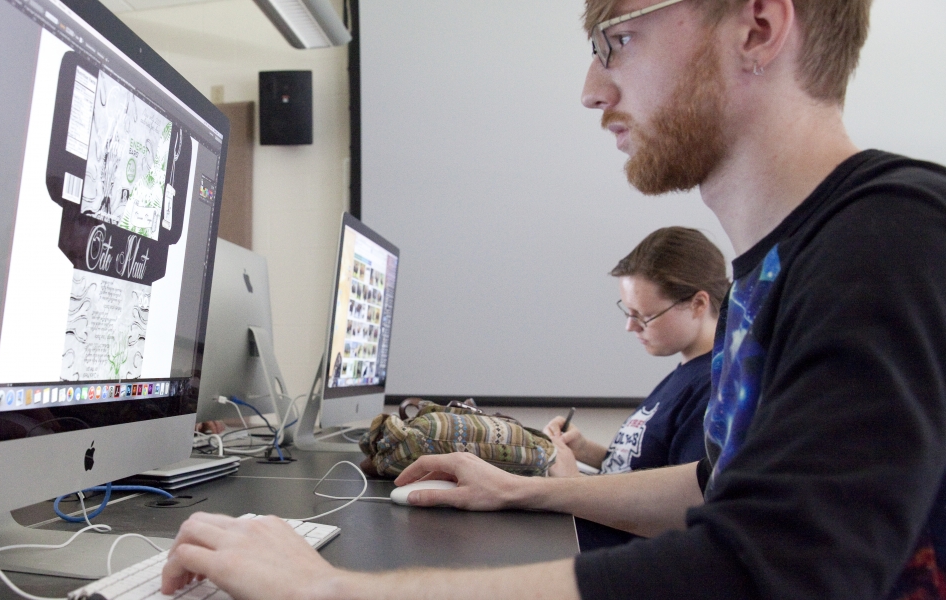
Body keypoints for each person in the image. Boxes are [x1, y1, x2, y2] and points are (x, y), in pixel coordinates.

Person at [158, 0, 946, 598]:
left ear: (758, 27)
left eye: (618, 40)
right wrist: (523, 489)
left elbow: (771, 570)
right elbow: (717, 486)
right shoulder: (778, 269)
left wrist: (332, 590)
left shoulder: (891, 238)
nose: (591, 88)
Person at [543, 227, 726, 550]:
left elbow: (683, 507)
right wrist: (588, 451)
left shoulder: (713, 386)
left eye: (645, 315)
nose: (631, 326)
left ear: (698, 304)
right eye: (628, 312)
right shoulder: (685, 373)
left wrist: (570, 485)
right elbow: (648, 468)